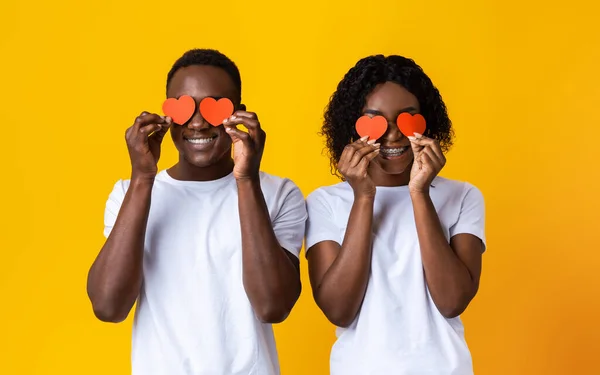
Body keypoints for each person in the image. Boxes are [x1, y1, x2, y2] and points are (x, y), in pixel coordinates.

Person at [86, 49, 307, 375]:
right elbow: (108, 307)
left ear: (239, 114)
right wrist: (142, 178)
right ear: (166, 115)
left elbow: (273, 306)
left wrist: (246, 180)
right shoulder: (128, 194)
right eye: (185, 107)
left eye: (215, 108)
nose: (199, 122)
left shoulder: (278, 194)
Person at [305, 54, 486, 374]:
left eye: (407, 119)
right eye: (374, 121)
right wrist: (363, 196)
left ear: (427, 123)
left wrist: (419, 192)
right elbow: (338, 310)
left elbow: (452, 300)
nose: (392, 135)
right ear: (352, 126)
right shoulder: (325, 202)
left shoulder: (463, 196)